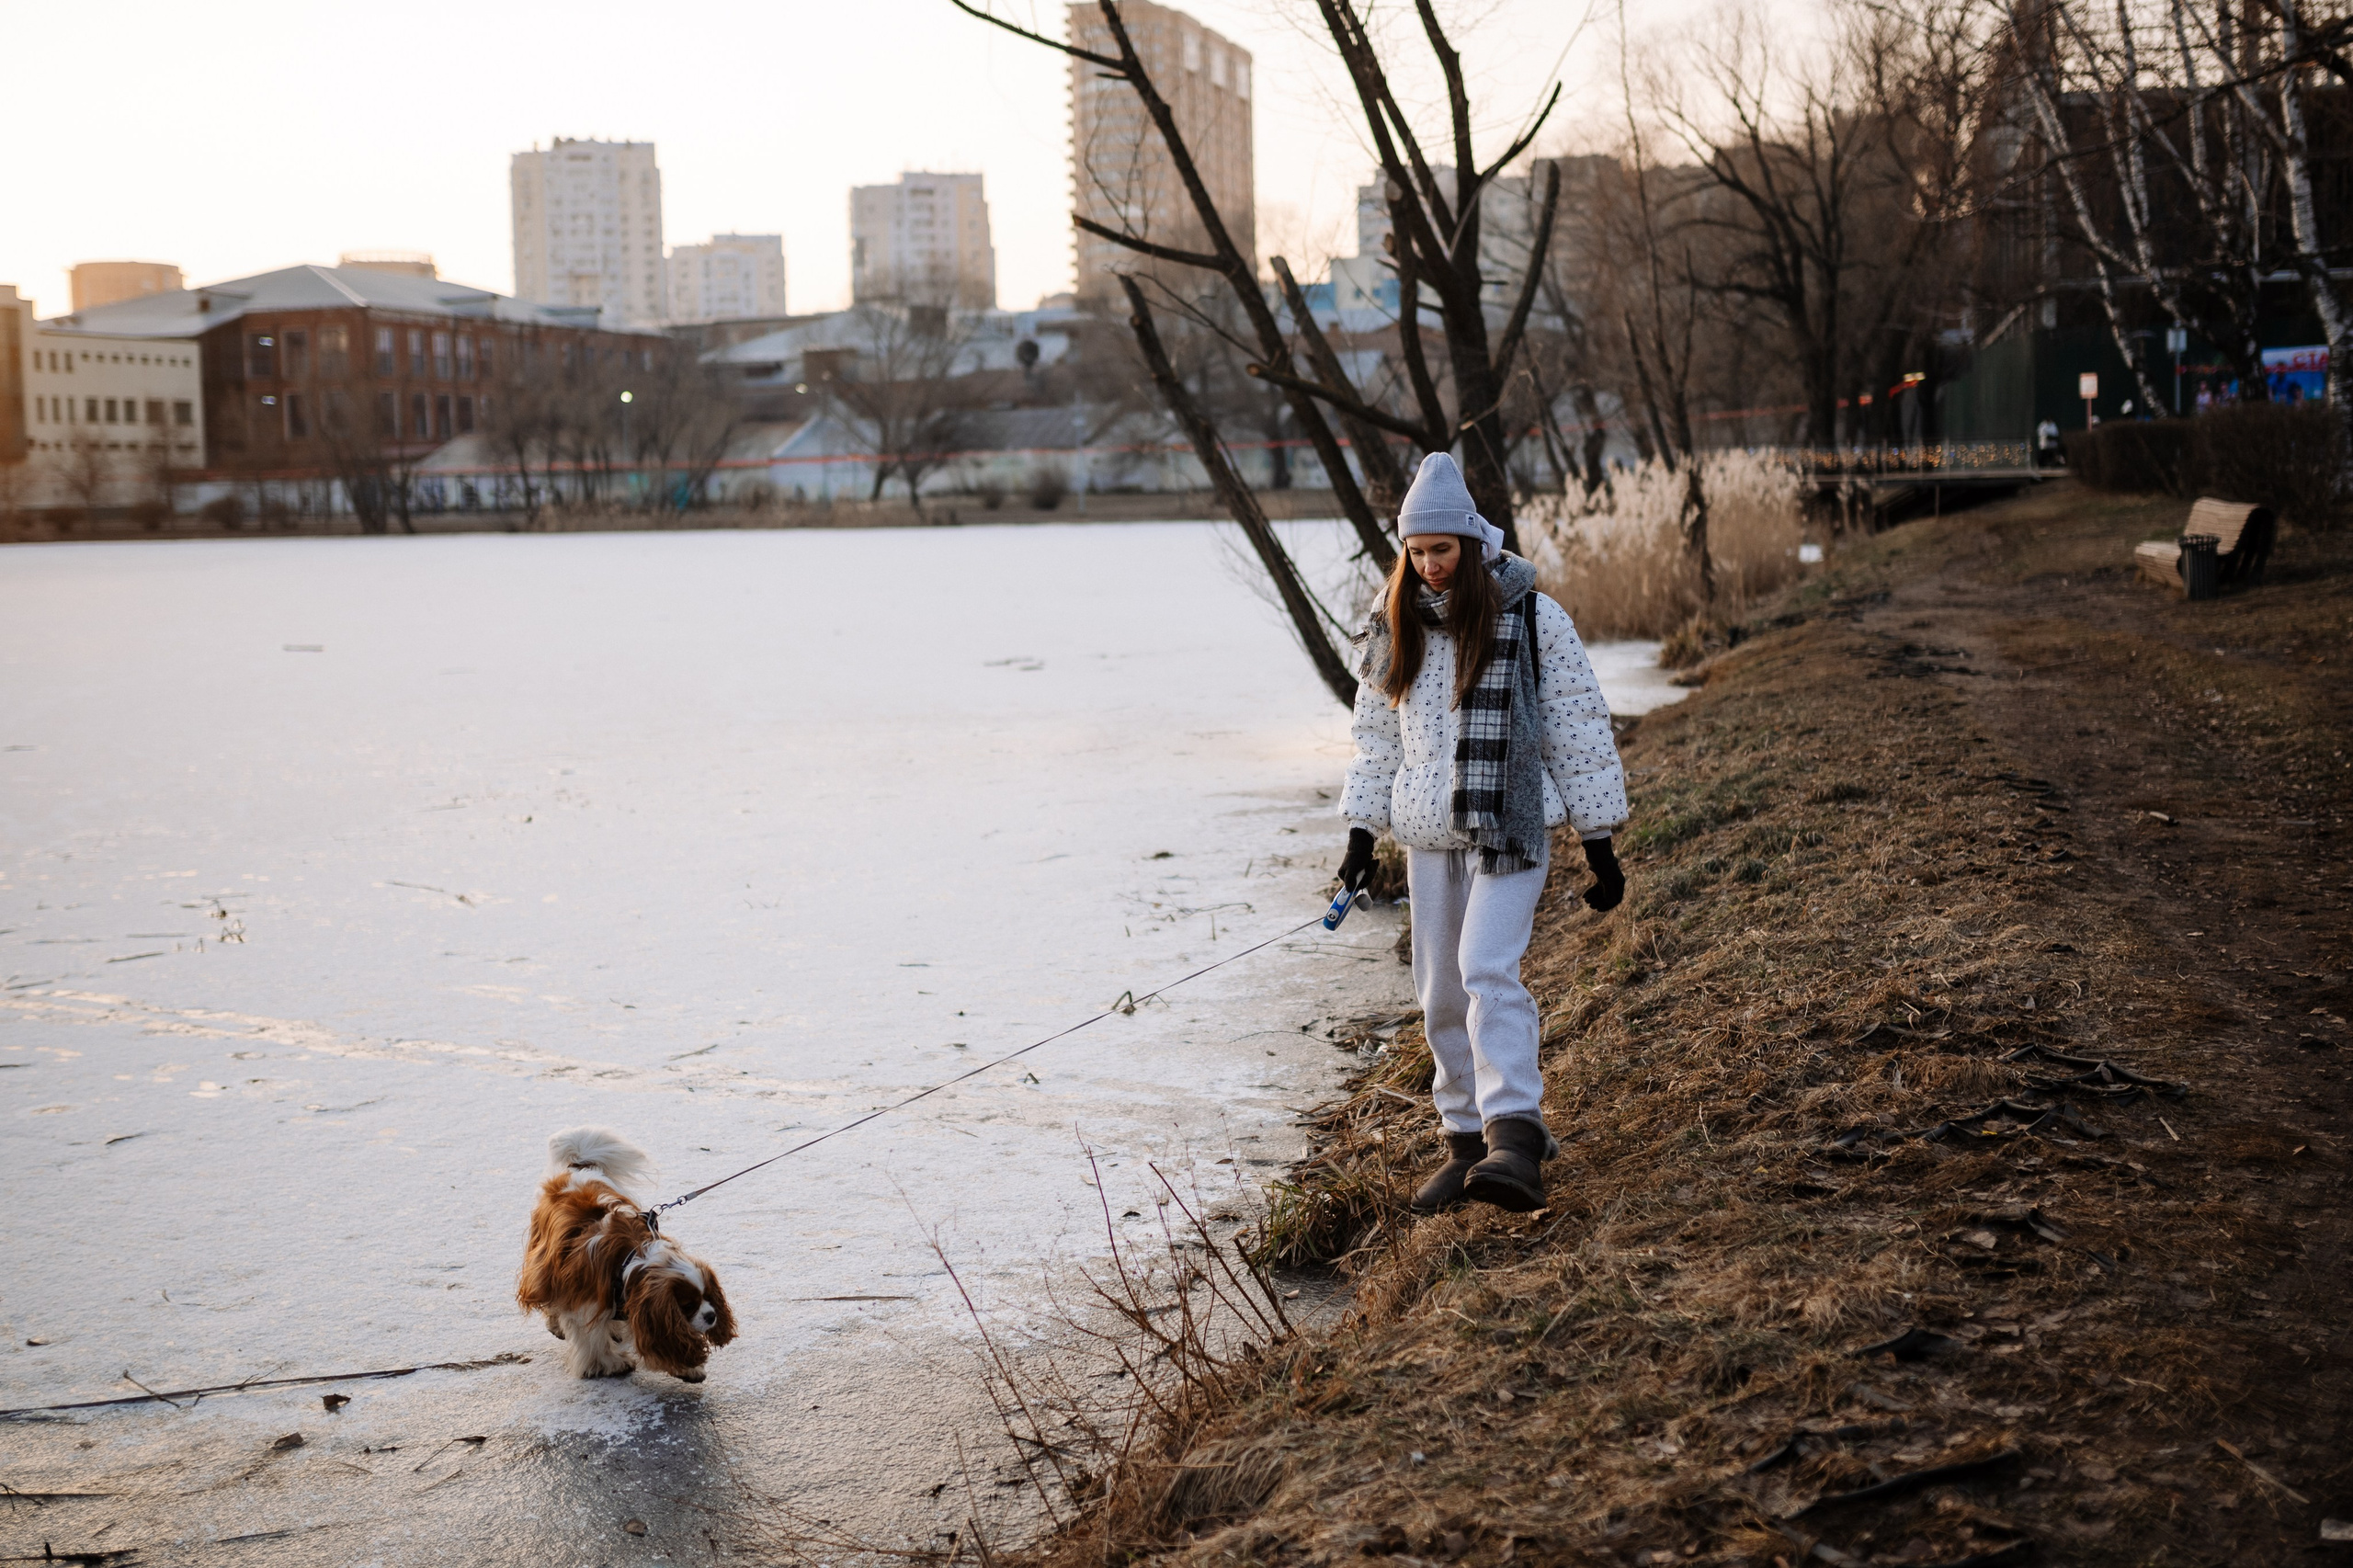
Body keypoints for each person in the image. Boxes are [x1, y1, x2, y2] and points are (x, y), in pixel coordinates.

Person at [1336, 452, 1629, 1214]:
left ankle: (1516, 1140)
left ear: (1473, 545)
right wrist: (1361, 840)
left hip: (1510, 827)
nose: (1430, 565)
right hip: (1429, 835)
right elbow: (1376, 742)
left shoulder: (1532, 615)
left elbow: (1577, 729)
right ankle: (1464, 1140)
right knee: (1438, 992)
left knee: (1485, 971)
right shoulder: (1392, 625)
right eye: (1417, 550)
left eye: (1443, 549)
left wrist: (1599, 843)